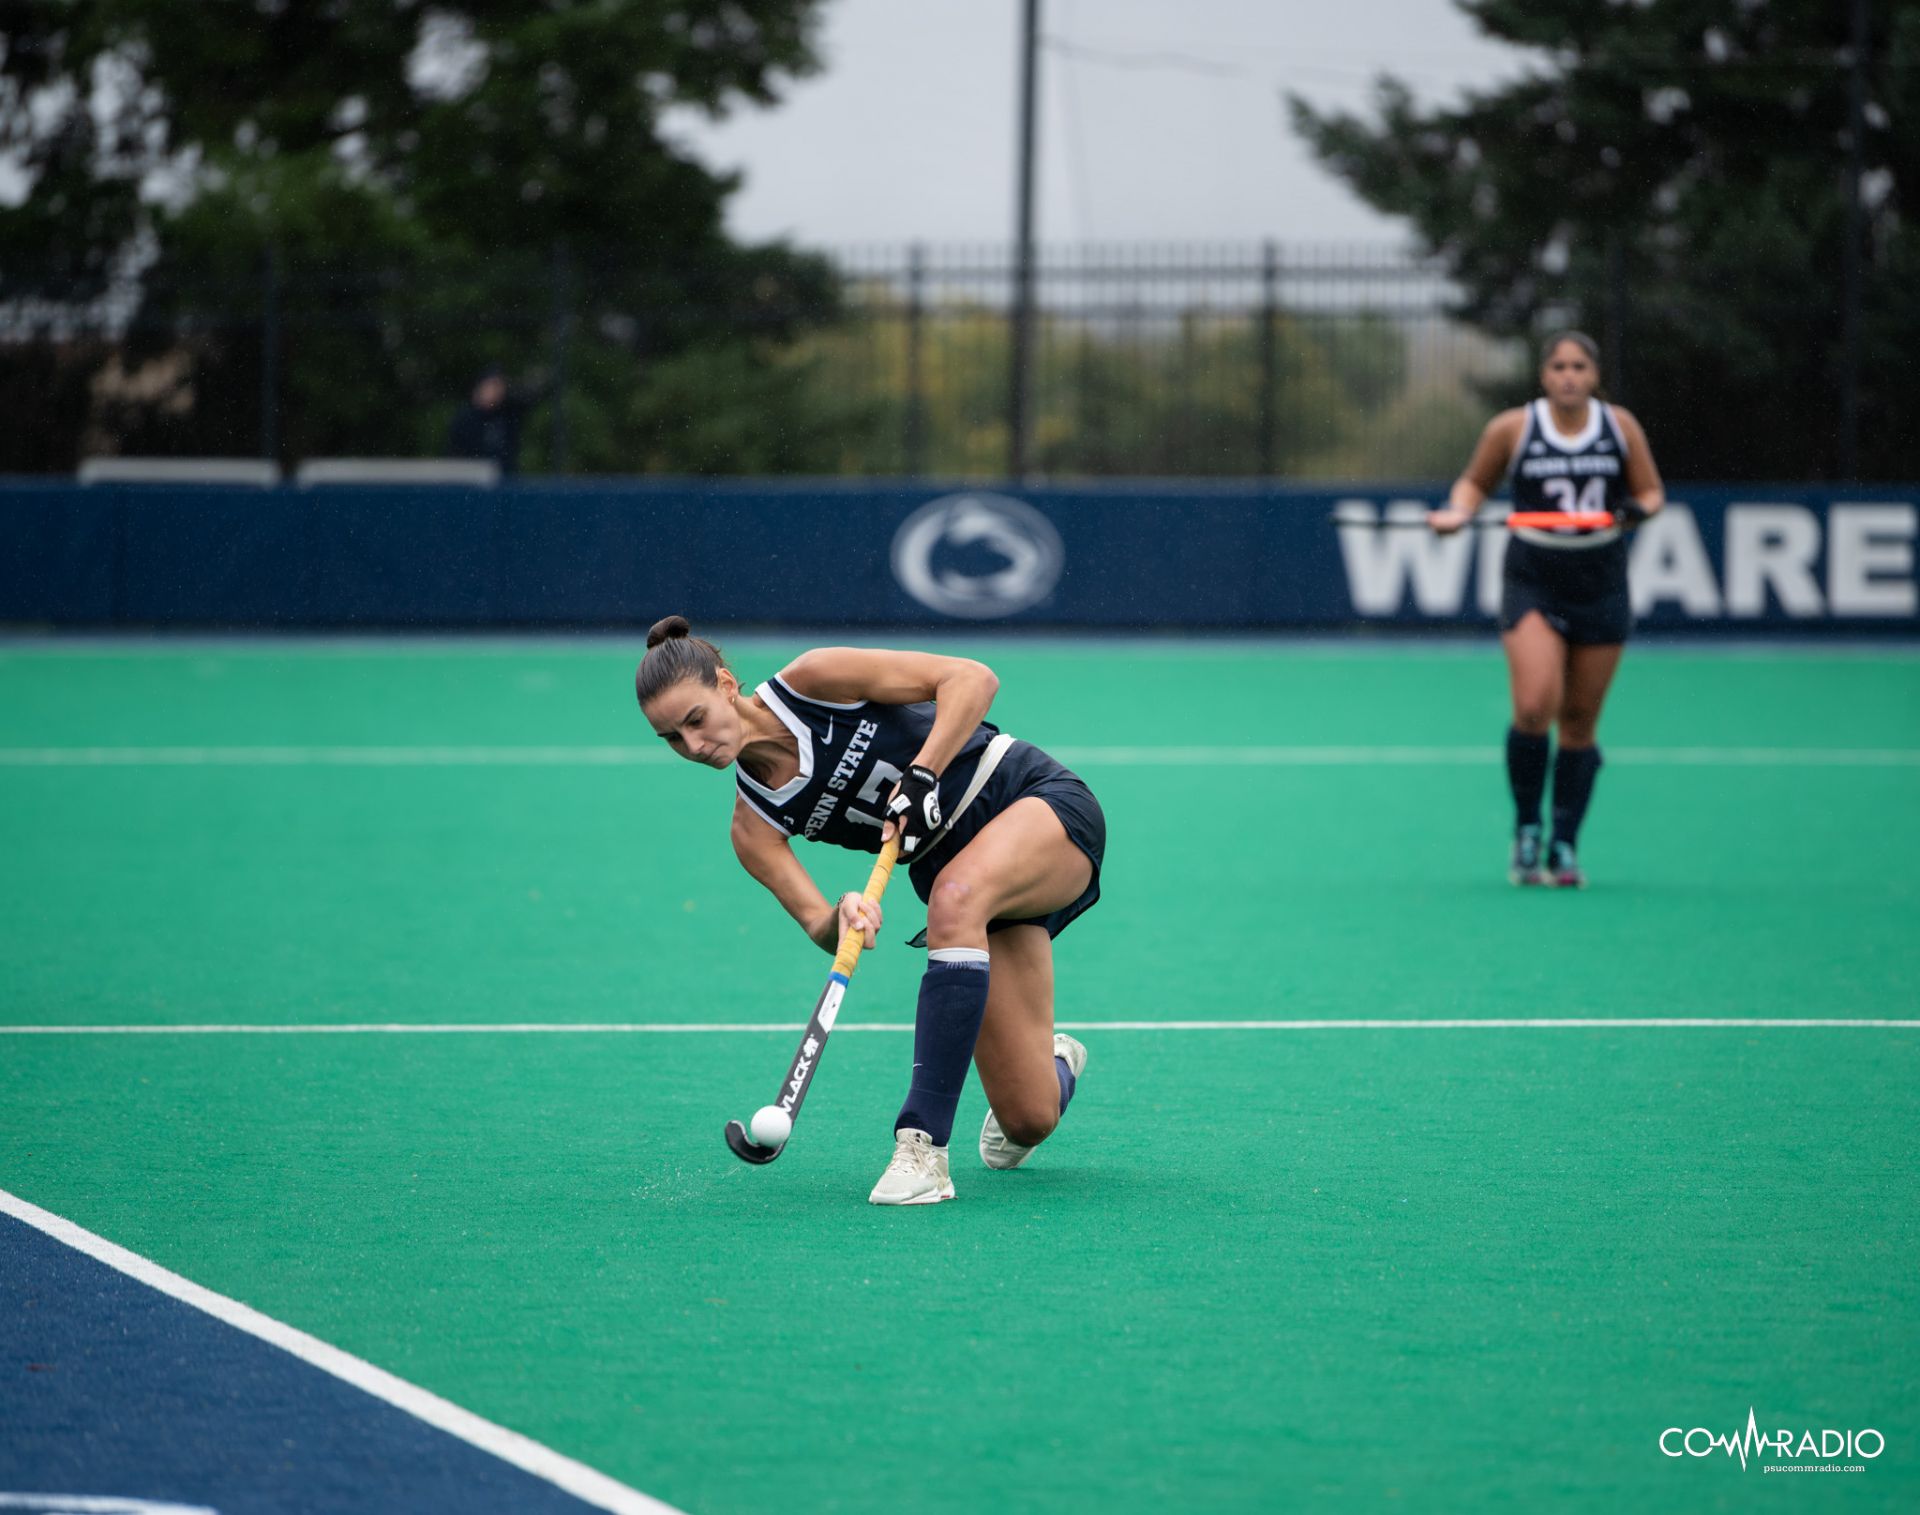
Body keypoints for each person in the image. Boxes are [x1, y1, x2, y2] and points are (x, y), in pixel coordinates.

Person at [636, 616, 1106, 1205]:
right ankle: (1055, 1061)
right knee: (1027, 1121)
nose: (694, 746)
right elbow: (817, 923)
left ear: (727, 685)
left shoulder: (814, 679)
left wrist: (924, 773)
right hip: (962, 885)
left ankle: (922, 1148)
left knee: (954, 899)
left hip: (1030, 799)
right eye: (672, 739)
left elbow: (970, 679)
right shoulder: (753, 829)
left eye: (696, 719)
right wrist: (844, 915)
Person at [1428, 331, 1665, 888]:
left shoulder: (1620, 427)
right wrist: (1456, 515)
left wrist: (1635, 511)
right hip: (1533, 576)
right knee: (1535, 706)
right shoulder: (1513, 428)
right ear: (1544, 375)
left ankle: (1565, 841)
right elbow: (1473, 484)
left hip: (1600, 579)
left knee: (1579, 722)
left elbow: (1653, 494)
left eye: (1579, 366)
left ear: (1594, 375)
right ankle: (1528, 827)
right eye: (1558, 365)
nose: (1568, 376)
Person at [447, 366, 536, 476]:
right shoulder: (465, 418)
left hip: (505, 481)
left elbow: (529, 398)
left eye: (499, 386)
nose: (496, 391)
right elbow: (454, 456)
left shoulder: (508, 413)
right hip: (471, 482)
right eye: (492, 385)